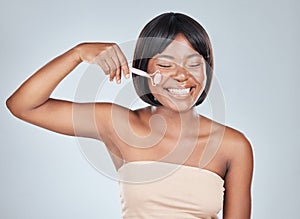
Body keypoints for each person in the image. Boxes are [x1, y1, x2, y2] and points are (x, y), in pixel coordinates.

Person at [6, 12, 253, 219]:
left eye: (193, 63)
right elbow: (24, 105)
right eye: (165, 64)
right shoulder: (117, 124)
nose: (181, 76)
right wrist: (78, 53)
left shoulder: (233, 146)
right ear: (144, 69)